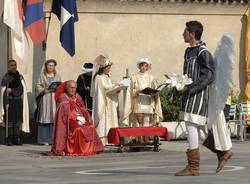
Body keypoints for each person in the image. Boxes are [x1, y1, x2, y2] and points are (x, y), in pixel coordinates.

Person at [175, 21, 233, 176]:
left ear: (192, 34)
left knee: (191, 126)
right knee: (198, 131)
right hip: (190, 94)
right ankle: (223, 152)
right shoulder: (188, 52)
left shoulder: (203, 52)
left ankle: (193, 167)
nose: (183, 34)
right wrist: (180, 83)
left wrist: (191, 87)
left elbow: (209, 75)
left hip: (199, 95)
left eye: (185, 31)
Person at [47, 80, 104, 156]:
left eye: (74, 88)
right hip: (68, 121)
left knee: (91, 128)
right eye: (71, 87)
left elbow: (83, 108)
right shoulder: (62, 97)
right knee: (78, 129)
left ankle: (90, 149)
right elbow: (63, 113)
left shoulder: (77, 96)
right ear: (66, 88)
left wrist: (85, 117)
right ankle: (76, 150)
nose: (73, 90)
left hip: (80, 119)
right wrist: (75, 117)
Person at [122, 58, 163, 142]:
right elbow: (130, 90)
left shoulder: (151, 77)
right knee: (137, 122)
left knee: (147, 121)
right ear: (139, 66)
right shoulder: (133, 77)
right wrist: (136, 91)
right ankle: (138, 139)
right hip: (138, 102)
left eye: (145, 66)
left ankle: (146, 138)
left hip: (148, 102)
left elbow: (154, 88)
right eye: (142, 65)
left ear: (148, 67)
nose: (144, 67)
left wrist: (154, 91)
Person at [91, 55, 120, 145]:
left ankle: (111, 138)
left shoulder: (107, 77)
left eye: (110, 67)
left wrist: (117, 90)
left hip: (110, 102)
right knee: (104, 121)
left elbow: (109, 88)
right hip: (103, 103)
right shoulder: (98, 77)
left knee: (111, 120)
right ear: (102, 68)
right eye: (108, 67)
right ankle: (103, 139)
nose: (109, 69)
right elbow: (105, 89)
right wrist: (116, 86)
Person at [0, 59, 29, 145]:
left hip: (18, 101)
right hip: (9, 101)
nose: (14, 67)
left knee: (17, 121)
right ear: (8, 67)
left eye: (15, 65)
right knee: (9, 120)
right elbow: (3, 91)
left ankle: (16, 138)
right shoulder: (6, 77)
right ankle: (9, 138)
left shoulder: (20, 77)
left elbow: (21, 89)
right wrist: (6, 102)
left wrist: (12, 89)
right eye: (12, 65)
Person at [35, 59, 61, 145]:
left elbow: (60, 87)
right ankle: (44, 139)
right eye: (49, 65)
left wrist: (58, 88)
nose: (51, 67)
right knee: (45, 117)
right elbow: (38, 86)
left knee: (53, 118)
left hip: (54, 99)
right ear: (46, 66)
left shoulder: (57, 76)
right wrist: (43, 89)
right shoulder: (42, 76)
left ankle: (53, 139)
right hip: (45, 99)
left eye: (52, 65)